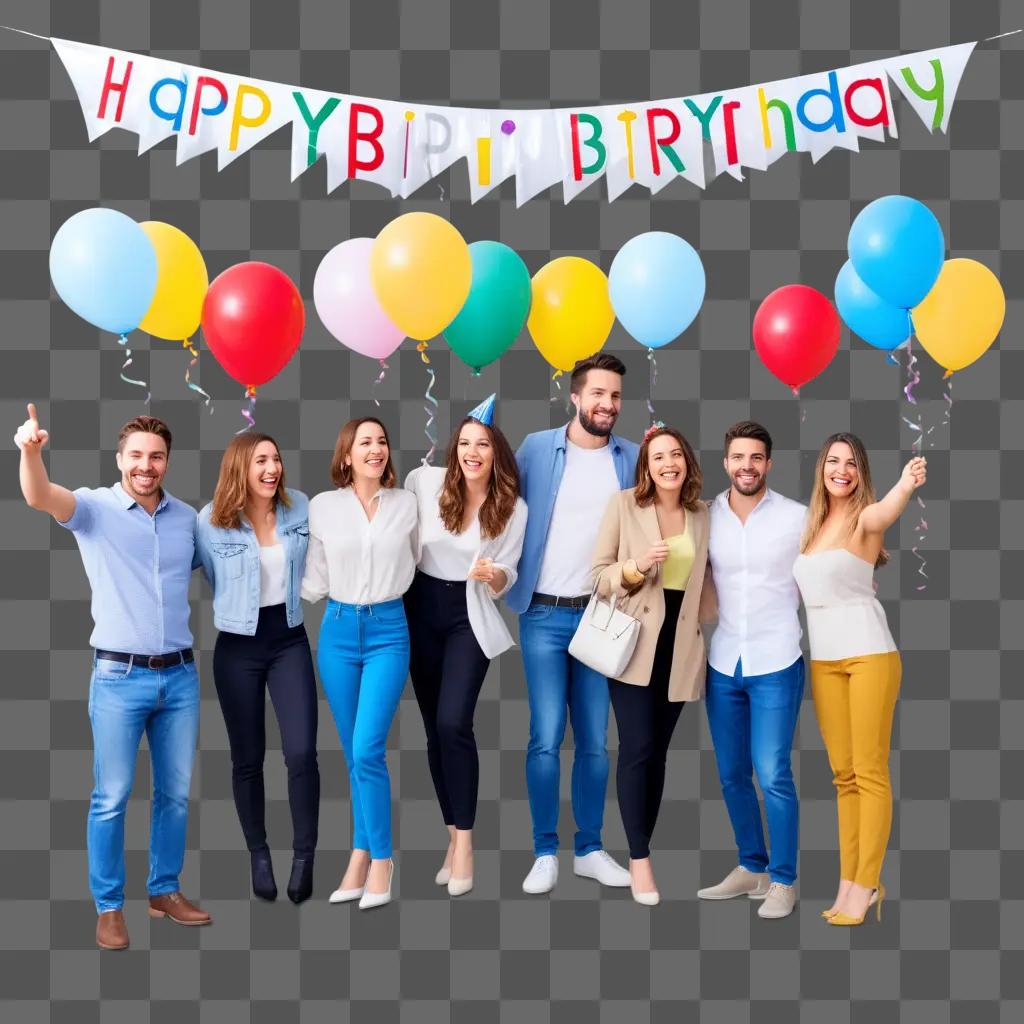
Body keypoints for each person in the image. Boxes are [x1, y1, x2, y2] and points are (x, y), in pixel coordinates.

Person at [14, 405, 210, 950]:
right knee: (112, 794)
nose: (146, 466)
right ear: (119, 459)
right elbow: (38, 496)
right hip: (118, 677)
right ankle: (109, 905)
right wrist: (30, 452)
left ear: (167, 461)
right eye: (137, 456)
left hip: (181, 679)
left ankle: (164, 891)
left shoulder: (186, 519)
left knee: (174, 794)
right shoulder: (94, 508)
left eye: (156, 457)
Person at [507, 353, 639, 894]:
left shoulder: (631, 458)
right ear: (575, 396)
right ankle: (544, 850)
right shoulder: (537, 448)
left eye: (615, 397)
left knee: (594, 739)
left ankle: (589, 846)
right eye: (598, 394)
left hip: (602, 615)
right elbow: (498, 504)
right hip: (542, 612)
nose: (607, 405)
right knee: (543, 736)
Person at [793, 433, 926, 926]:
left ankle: (866, 883)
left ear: (861, 472)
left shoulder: (863, 516)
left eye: (850, 463)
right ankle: (850, 883)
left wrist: (905, 484)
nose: (841, 470)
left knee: (868, 773)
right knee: (842, 776)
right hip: (826, 662)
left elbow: (885, 512)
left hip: (870, 655)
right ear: (821, 469)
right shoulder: (814, 527)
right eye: (833, 461)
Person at [404, 395, 528, 897]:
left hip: (468, 617)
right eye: (464, 443)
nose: (471, 452)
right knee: (434, 730)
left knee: (456, 722)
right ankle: (451, 837)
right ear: (453, 449)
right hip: (419, 610)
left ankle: (467, 844)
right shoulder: (424, 482)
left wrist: (495, 573)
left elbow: (510, 573)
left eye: (481, 445)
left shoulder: (512, 508)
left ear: (496, 452)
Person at [591, 425, 715, 905]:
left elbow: (710, 580)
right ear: (646, 465)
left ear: (687, 462)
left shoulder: (701, 514)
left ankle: (644, 845)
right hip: (633, 643)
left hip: (681, 647)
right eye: (659, 456)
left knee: (658, 752)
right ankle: (639, 859)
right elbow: (598, 576)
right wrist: (637, 566)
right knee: (637, 746)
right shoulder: (624, 505)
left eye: (676, 454)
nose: (668, 463)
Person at [196, 433, 319, 904]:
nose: (272, 468)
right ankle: (259, 853)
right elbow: (209, 573)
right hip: (237, 645)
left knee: (301, 752)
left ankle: (304, 854)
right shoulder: (210, 521)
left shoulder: (300, 507)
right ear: (239, 468)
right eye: (261, 460)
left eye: (276, 458)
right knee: (247, 758)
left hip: (288, 638)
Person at [302, 417, 418, 910]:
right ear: (346, 454)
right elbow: (313, 576)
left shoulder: (407, 503)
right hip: (338, 630)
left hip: (390, 629)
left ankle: (384, 862)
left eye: (382, 442)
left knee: (369, 747)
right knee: (353, 752)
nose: (376, 449)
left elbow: (416, 561)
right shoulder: (322, 506)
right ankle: (359, 852)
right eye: (364, 442)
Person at [697, 421, 808, 920]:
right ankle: (752, 866)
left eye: (756, 458)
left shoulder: (797, 517)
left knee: (773, 773)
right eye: (738, 457)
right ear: (726, 462)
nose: (747, 466)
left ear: (769, 463)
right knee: (730, 774)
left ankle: (784, 880)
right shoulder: (705, 516)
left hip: (777, 660)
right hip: (723, 662)